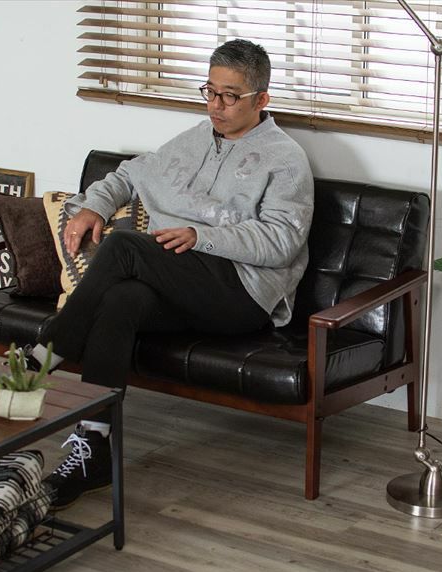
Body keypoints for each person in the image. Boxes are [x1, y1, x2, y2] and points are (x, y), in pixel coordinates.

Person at [24, 39, 314, 510]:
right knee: (122, 300)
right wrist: (95, 205)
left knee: (122, 247)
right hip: (182, 281)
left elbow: (282, 241)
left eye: (230, 96)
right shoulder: (196, 137)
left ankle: (45, 352)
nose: (215, 105)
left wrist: (203, 237)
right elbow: (131, 174)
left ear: (261, 98)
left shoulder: (285, 159)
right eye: (210, 91)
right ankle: (94, 450)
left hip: (241, 293)